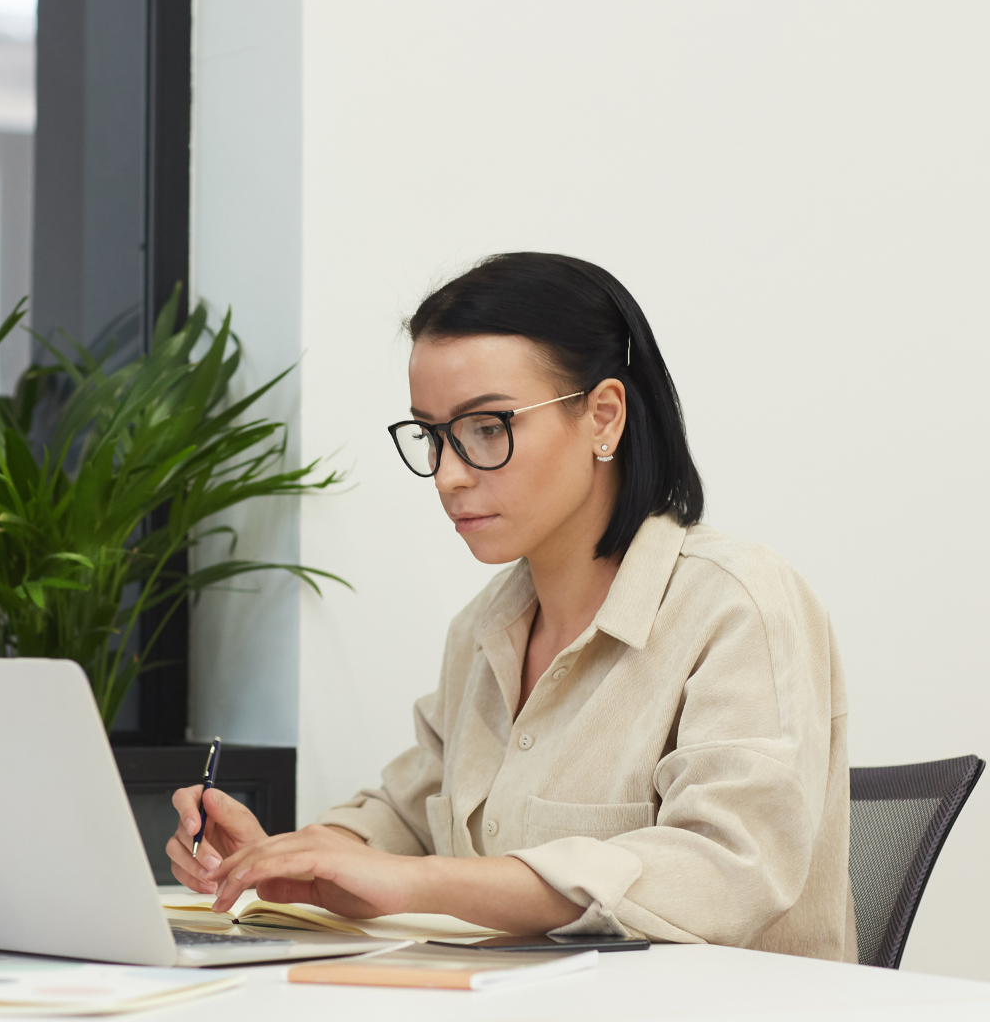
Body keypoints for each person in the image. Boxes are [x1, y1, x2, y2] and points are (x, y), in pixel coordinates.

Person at [166, 253, 854, 961]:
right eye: (431, 436)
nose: (449, 475)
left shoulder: (736, 604)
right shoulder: (484, 629)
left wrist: (419, 883)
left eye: (487, 428)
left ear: (603, 418)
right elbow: (407, 811)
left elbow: (723, 872)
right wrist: (293, 859)